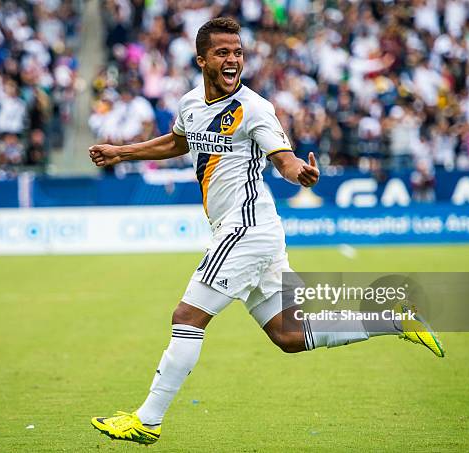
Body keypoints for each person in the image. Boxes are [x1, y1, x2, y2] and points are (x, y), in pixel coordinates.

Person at [88, 18, 445, 446]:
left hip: (246, 228)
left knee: (187, 317)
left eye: (237, 52)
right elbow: (180, 142)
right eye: (223, 53)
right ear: (202, 59)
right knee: (288, 335)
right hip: (258, 232)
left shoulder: (253, 107)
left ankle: (147, 419)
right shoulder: (189, 103)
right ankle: (391, 320)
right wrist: (121, 152)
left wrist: (301, 174)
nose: (233, 60)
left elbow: (283, 157)